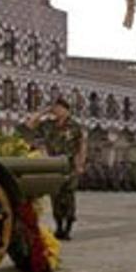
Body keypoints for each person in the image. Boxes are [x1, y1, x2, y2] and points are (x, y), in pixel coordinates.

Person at [26, 97, 86, 240]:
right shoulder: (48, 125)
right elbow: (30, 124)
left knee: (69, 195)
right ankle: (59, 227)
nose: (57, 111)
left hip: (69, 165)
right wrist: (44, 111)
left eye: (60, 108)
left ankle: (68, 228)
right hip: (54, 165)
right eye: (55, 109)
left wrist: (80, 164)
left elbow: (82, 146)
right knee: (56, 196)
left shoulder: (75, 126)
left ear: (67, 110)